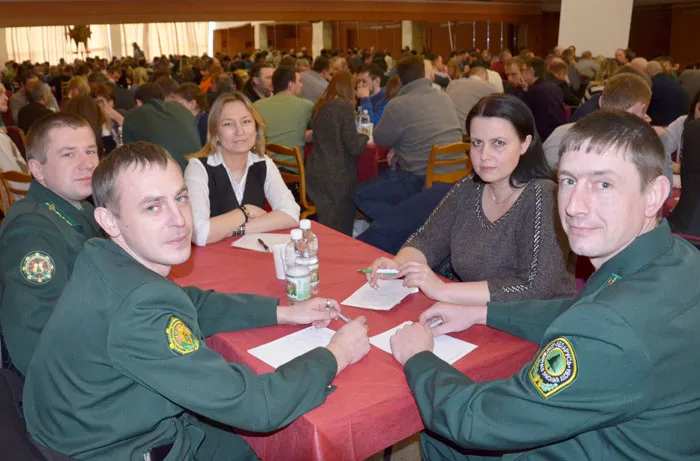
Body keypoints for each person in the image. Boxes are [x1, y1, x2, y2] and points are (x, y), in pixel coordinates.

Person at [21, 141, 372, 461]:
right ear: (109, 221)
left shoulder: (104, 257)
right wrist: (335, 354)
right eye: (152, 207)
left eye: (181, 197)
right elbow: (258, 406)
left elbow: (188, 301)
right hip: (119, 447)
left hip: (86, 424)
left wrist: (285, 312)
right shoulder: (138, 309)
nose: (179, 220)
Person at [388, 108, 700, 460]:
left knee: (440, 431)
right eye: (568, 181)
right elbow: (579, 309)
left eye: (603, 184)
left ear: (655, 194)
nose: (574, 207)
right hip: (639, 434)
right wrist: (481, 313)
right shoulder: (678, 257)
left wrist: (419, 357)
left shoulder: (612, 327)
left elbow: (476, 421)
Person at [367, 94, 574, 305]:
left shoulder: (545, 196)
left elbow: (535, 286)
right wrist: (398, 265)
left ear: (524, 144)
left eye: (499, 143)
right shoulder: (467, 189)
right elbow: (426, 241)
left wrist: (445, 291)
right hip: (473, 313)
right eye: (477, 143)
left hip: (536, 323)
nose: (484, 155)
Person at [0, 113, 101, 377]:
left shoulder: (83, 209)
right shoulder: (32, 232)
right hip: (74, 383)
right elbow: (34, 338)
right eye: (68, 154)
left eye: (90, 151)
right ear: (37, 170)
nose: (87, 163)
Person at [353, 55, 464, 222]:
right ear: (423, 73)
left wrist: (397, 147)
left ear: (399, 79)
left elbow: (380, 139)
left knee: (360, 194)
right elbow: (429, 135)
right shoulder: (444, 97)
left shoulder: (398, 104)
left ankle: (409, 225)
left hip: (421, 179)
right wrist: (399, 148)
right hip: (456, 175)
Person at [184, 91, 299, 246]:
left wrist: (238, 229)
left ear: (256, 128)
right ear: (215, 133)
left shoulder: (263, 162)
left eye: (246, 122)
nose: (239, 131)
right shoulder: (198, 168)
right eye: (228, 124)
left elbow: (291, 213)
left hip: (252, 257)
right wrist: (246, 211)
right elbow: (199, 234)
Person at [307, 71, 370, 235]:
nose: (356, 92)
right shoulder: (344, 108)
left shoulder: (320, 105)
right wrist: (364, 135)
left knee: (327, 222)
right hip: (337, 176)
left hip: (315, 171)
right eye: (354, 88)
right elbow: (354, 147)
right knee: (341, 225)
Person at [122, 83, 201, 170]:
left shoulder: (134, 115)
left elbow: (129, 156)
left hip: (168, 174)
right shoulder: (182, 110)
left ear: (138, 102)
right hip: (198, 169)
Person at [253, 66, 313, 170]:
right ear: (290, 85)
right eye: (299, 81)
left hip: (265, 169)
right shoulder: (306, 106)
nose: (302, 85)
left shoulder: (256, 106)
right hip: (294, 172)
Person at [519, 57, 567, 141]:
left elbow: (522, 114)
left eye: (523, 70)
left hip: (543, 138)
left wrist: (525, 91)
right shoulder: (553, 86)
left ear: (531, 71)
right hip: (560, 133)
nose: (521, 74)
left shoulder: (534, 91)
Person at [446, 66, 499, 136]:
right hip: (470, 136)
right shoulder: (490, 87)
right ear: (486, 77)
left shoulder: (452, 84)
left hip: (450, 134)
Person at [0, 82, 29, 199]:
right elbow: (18, 182)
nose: (6, 97)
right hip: (18, 203)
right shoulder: (1, 140)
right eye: (0, 93)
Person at [647, 60, 690, 126]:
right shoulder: (674, 81)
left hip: (664, 126)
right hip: (682, 123)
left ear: (648, 73)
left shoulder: (652, 85)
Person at [171, 83, 210, 147]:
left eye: (178, 104)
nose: (175, 107)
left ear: (192, 104)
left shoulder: (205, 125)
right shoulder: (186, 120)